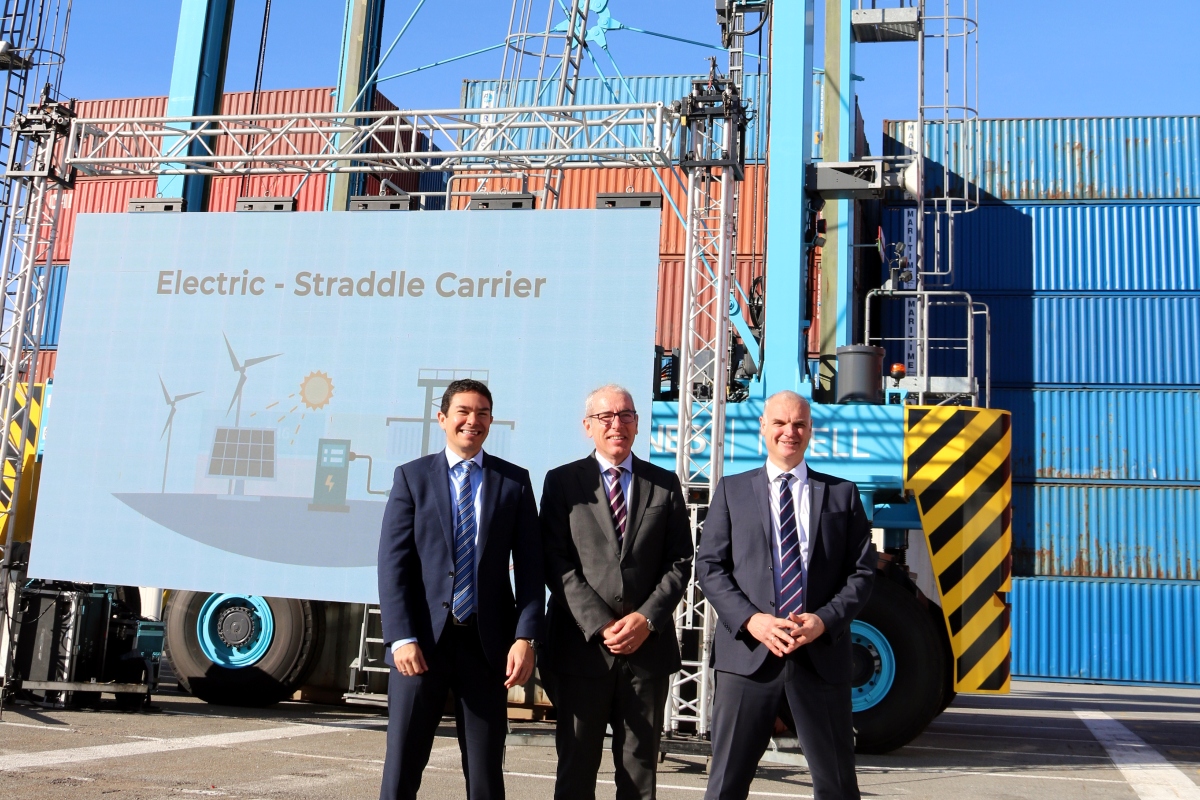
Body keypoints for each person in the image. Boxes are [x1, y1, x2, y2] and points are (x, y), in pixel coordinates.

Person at [696, 390, 875, 800]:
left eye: (798, 424)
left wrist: (824, 620)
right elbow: (710, 568)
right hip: (747, 660)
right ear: (763, 428)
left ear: (811, 430)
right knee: (725, 785)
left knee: (838, 787)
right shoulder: (732, 490)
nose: (788, 432)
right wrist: (752, 620)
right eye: (779, 423)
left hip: (820, 660)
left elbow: (862, 573)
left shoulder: (842, 495)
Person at [376, 378, 542, 800]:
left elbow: (530, 568)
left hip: (487, 650)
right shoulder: (412, 478)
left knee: (486, 774)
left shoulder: (515, 482)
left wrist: (526, 637)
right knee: (402, 768)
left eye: (483, 413)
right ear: (443, 418)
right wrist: (401, 637)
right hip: (421, 647)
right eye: (464, 412)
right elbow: (393, 563)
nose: (473, 421)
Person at [539, 384, 693, 800]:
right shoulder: (562, 482)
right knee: (576, 768)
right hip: (581, 650)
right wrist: (601, 624)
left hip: (647, 653)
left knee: (640, 773)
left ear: (637, 424)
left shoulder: (663, 483)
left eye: (625, 415)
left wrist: (645, 619)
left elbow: (680, 561)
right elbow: (556, 562)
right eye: (605, 417)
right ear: (588, 426)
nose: (616, 425)